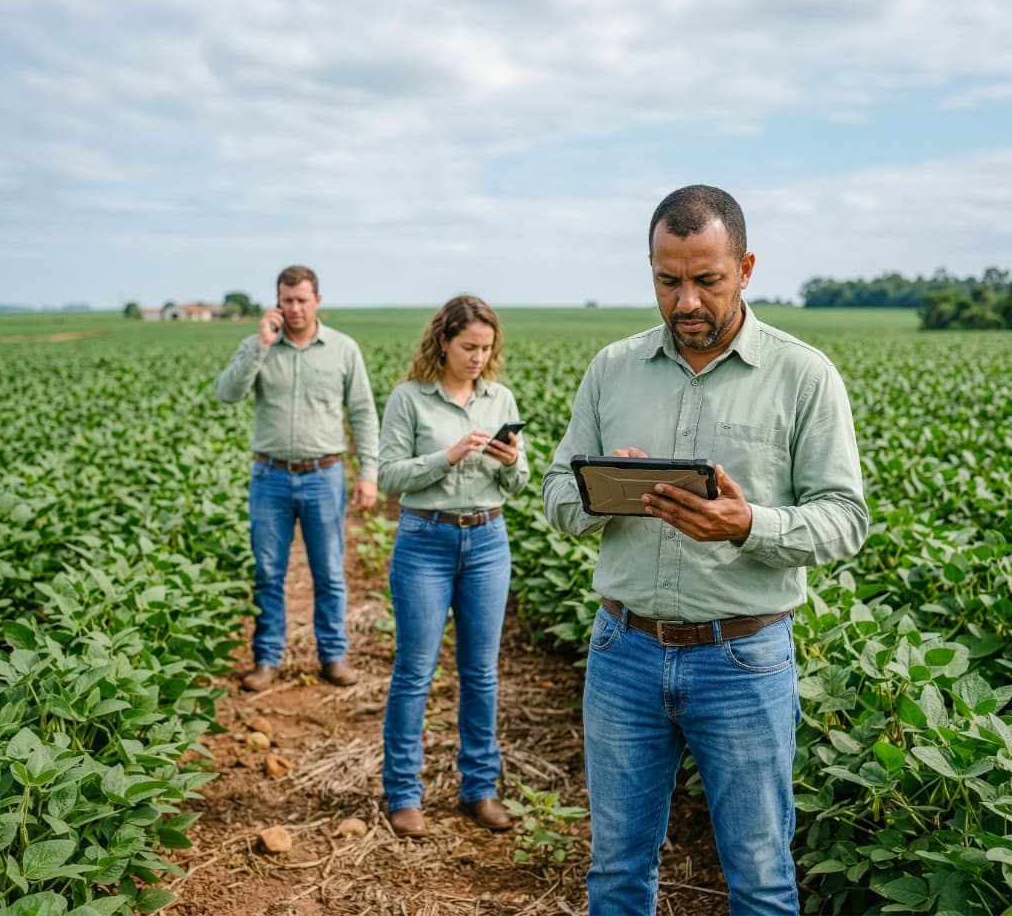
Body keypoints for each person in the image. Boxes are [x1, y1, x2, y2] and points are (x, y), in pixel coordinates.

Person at [542, 185, 869, 916]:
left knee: (758, 877)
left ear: (746, 268)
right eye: (668, 281)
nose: (686, 301)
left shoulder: (801, 374)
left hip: (744, 662)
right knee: (618, 872)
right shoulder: (612, 369)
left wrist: (747, 523)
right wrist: (604, 493)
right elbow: (557, 495)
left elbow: (845, 519)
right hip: (623, 650)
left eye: (706, 280)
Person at [377, 294, 530, 838]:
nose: (478, 358)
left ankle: (479, 790)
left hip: (488, 540)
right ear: (443, 341)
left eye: (486, 349)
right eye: (469, 346)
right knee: (415, 673)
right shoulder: (409, 400)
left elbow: (520, 480)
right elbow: (389, 476)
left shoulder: (500, 397)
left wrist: (511, 462)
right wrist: (448, 456)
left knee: (481, 674)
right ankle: (403, 794)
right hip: (426, 540)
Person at [216, 265, 379, 692]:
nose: (294, 309)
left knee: (329, 571)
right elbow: (227, 393)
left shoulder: (343, 349)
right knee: (268, 572)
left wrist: (369, 474)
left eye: (302, 300)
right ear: (277, 302)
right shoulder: (258, 346)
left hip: (324, 474)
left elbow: (362, 413)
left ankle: (333, 657)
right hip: (269, 475)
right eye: (287, 300)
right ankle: (266, 659)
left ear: (317, 301)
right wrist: (260, 346)